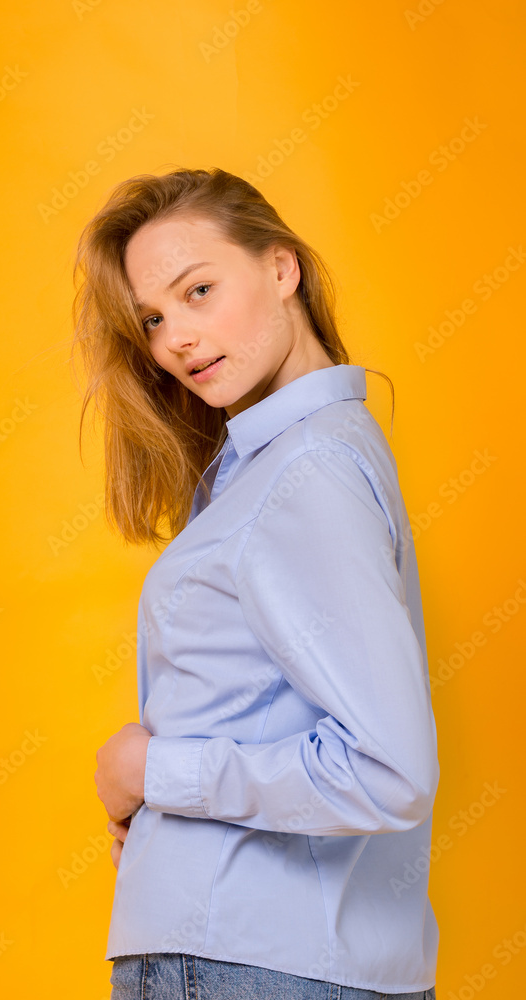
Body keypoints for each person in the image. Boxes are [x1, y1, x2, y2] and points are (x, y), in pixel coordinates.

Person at [73, 167, 439, 1000]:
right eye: (153, 319)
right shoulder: (290, 460)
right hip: (275, 954)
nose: (176, 340)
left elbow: (387, 770)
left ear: (281, 269)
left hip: (244, 957)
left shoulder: (306, 470)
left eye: (198, 291)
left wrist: (152, 773)